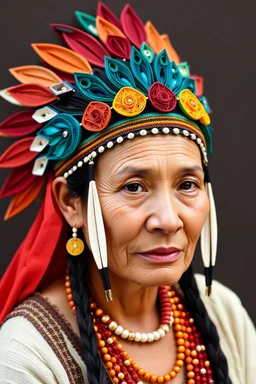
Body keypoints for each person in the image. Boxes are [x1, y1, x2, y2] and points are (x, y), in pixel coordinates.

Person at [0, 3, 255, 384]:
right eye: (134, 187)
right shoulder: (26, 357)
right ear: (72, 204)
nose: (169, 220)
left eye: (187, 185)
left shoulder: (223, 314)